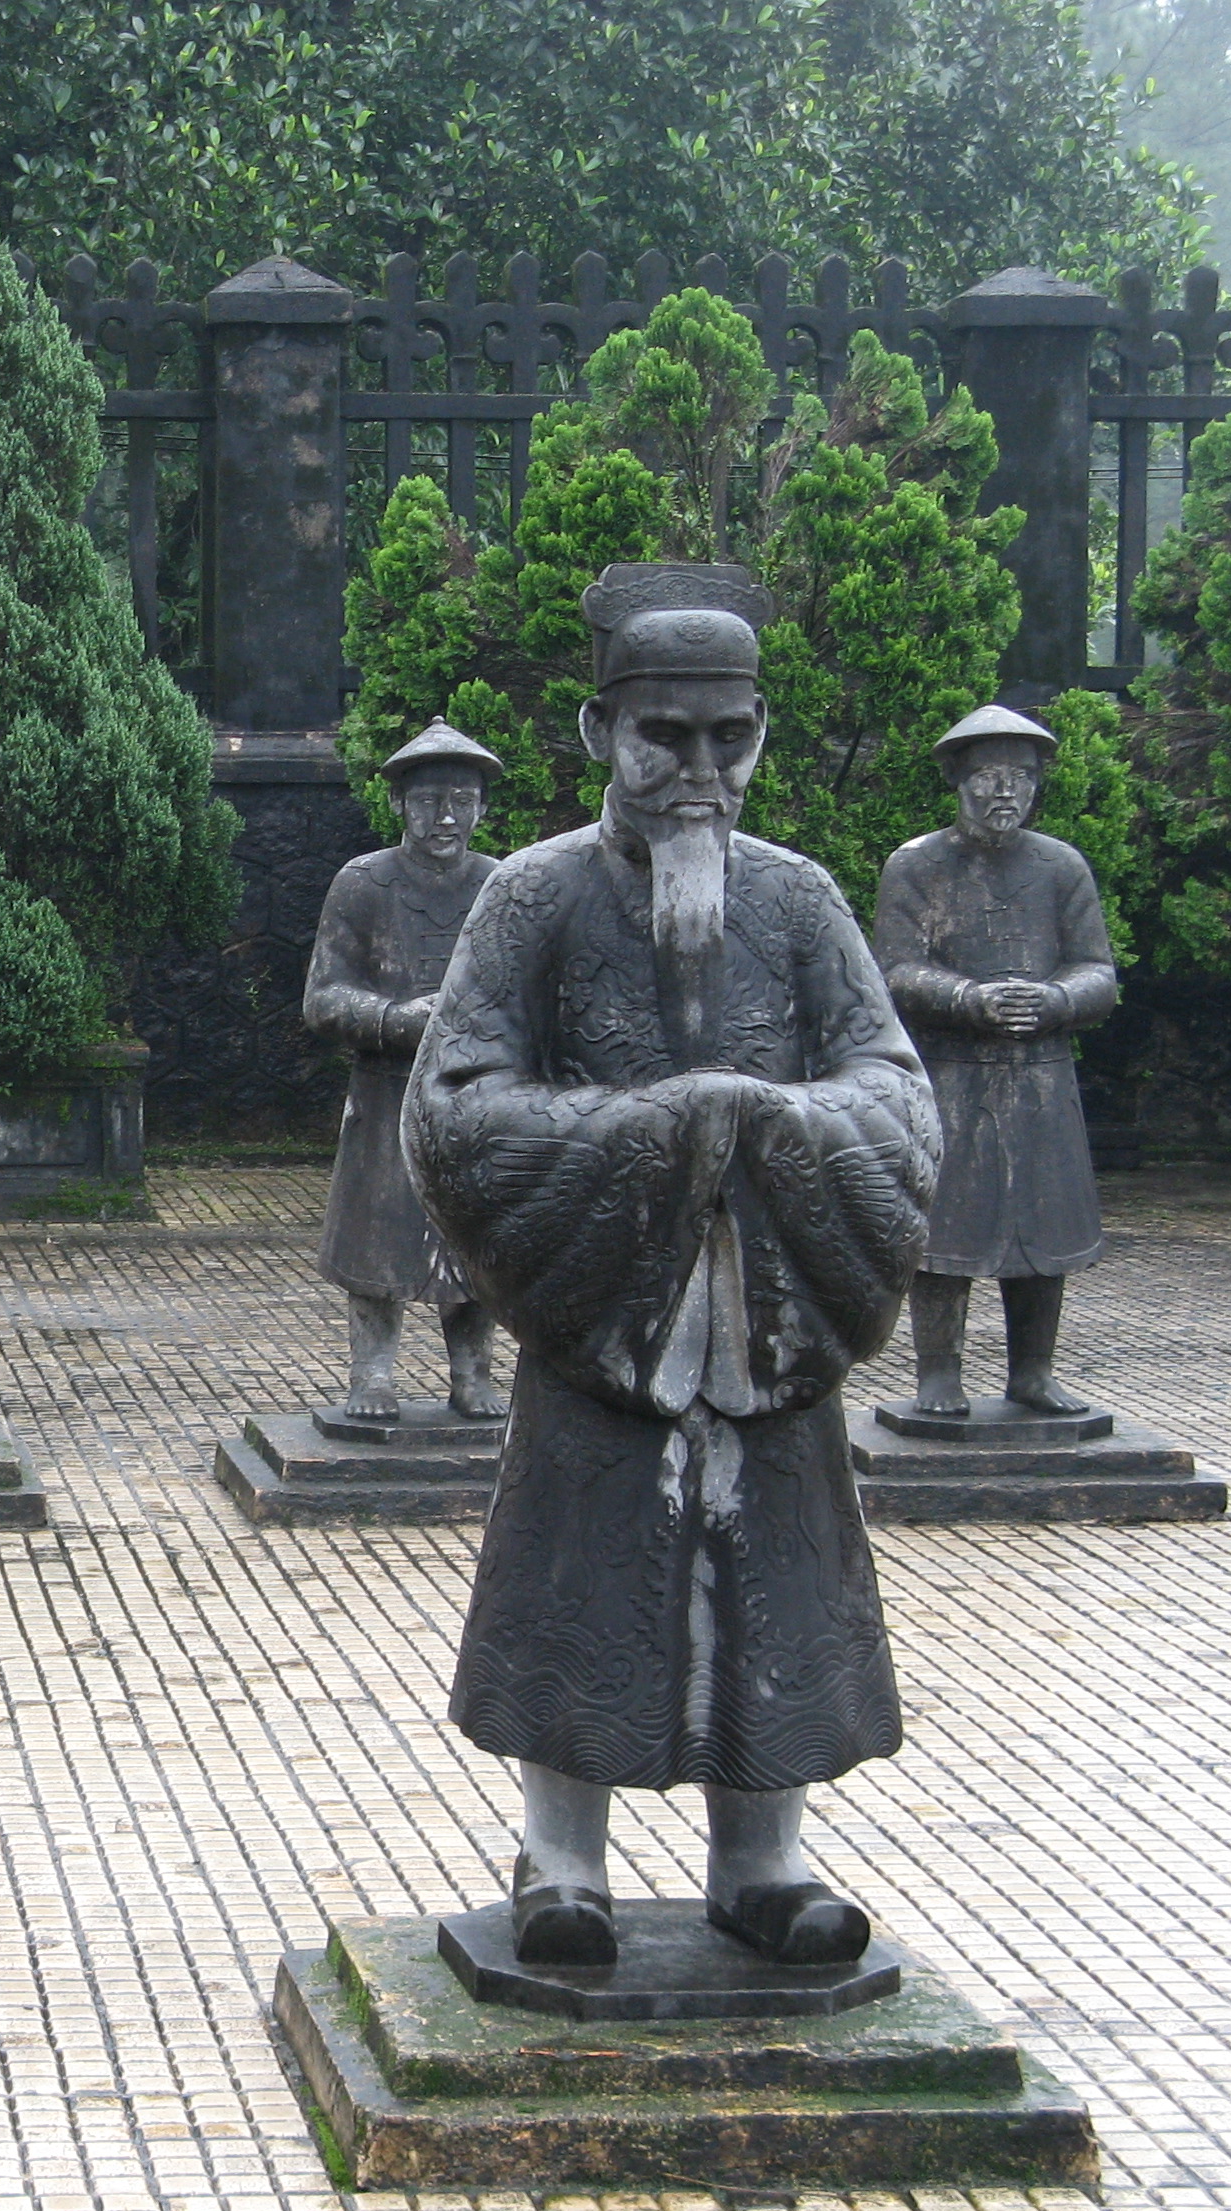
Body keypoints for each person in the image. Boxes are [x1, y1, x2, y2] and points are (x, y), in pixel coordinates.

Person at [405, 563, 939, 1970]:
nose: (700, 772)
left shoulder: (801, 901)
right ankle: (558, 1861)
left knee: (779, 1573)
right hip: (604, 1309)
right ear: (601, 732)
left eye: (731, 737)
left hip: (768, 1312)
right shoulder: (533, 898)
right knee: (581, 1567)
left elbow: (893, 1089)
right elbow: (454, 1103)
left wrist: (771, 1126)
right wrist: (656, 1133)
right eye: (665, 736)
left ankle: (764, 1861)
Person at [873, 704, 1120, 1417]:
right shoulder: (917, 866)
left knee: (1044, 1227)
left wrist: (1054, 999)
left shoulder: (1060, 866)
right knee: (944, 1231)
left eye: (1022, 776)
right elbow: (894, 971)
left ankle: (1033, 1372)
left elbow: (1098, 972)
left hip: (1042, 1076)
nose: (1006, 790)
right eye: (989, 775)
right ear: (960, 780)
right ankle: (938, 1374)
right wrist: (968, 998)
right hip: (951, 1075)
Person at [306, 720, 503, 1419]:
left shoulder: (502, 885)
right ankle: (372, 1375)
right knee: (376, 1237)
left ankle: (473, 1374)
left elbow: (531, 990)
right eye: (427, 801)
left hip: (475, 1094)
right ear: (399, 804)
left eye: (461, 800)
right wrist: (394, 1019)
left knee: (474, 1241)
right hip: (387, 1090)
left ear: (482, 807)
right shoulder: (362, 883)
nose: (445, 817)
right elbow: (323, 997)